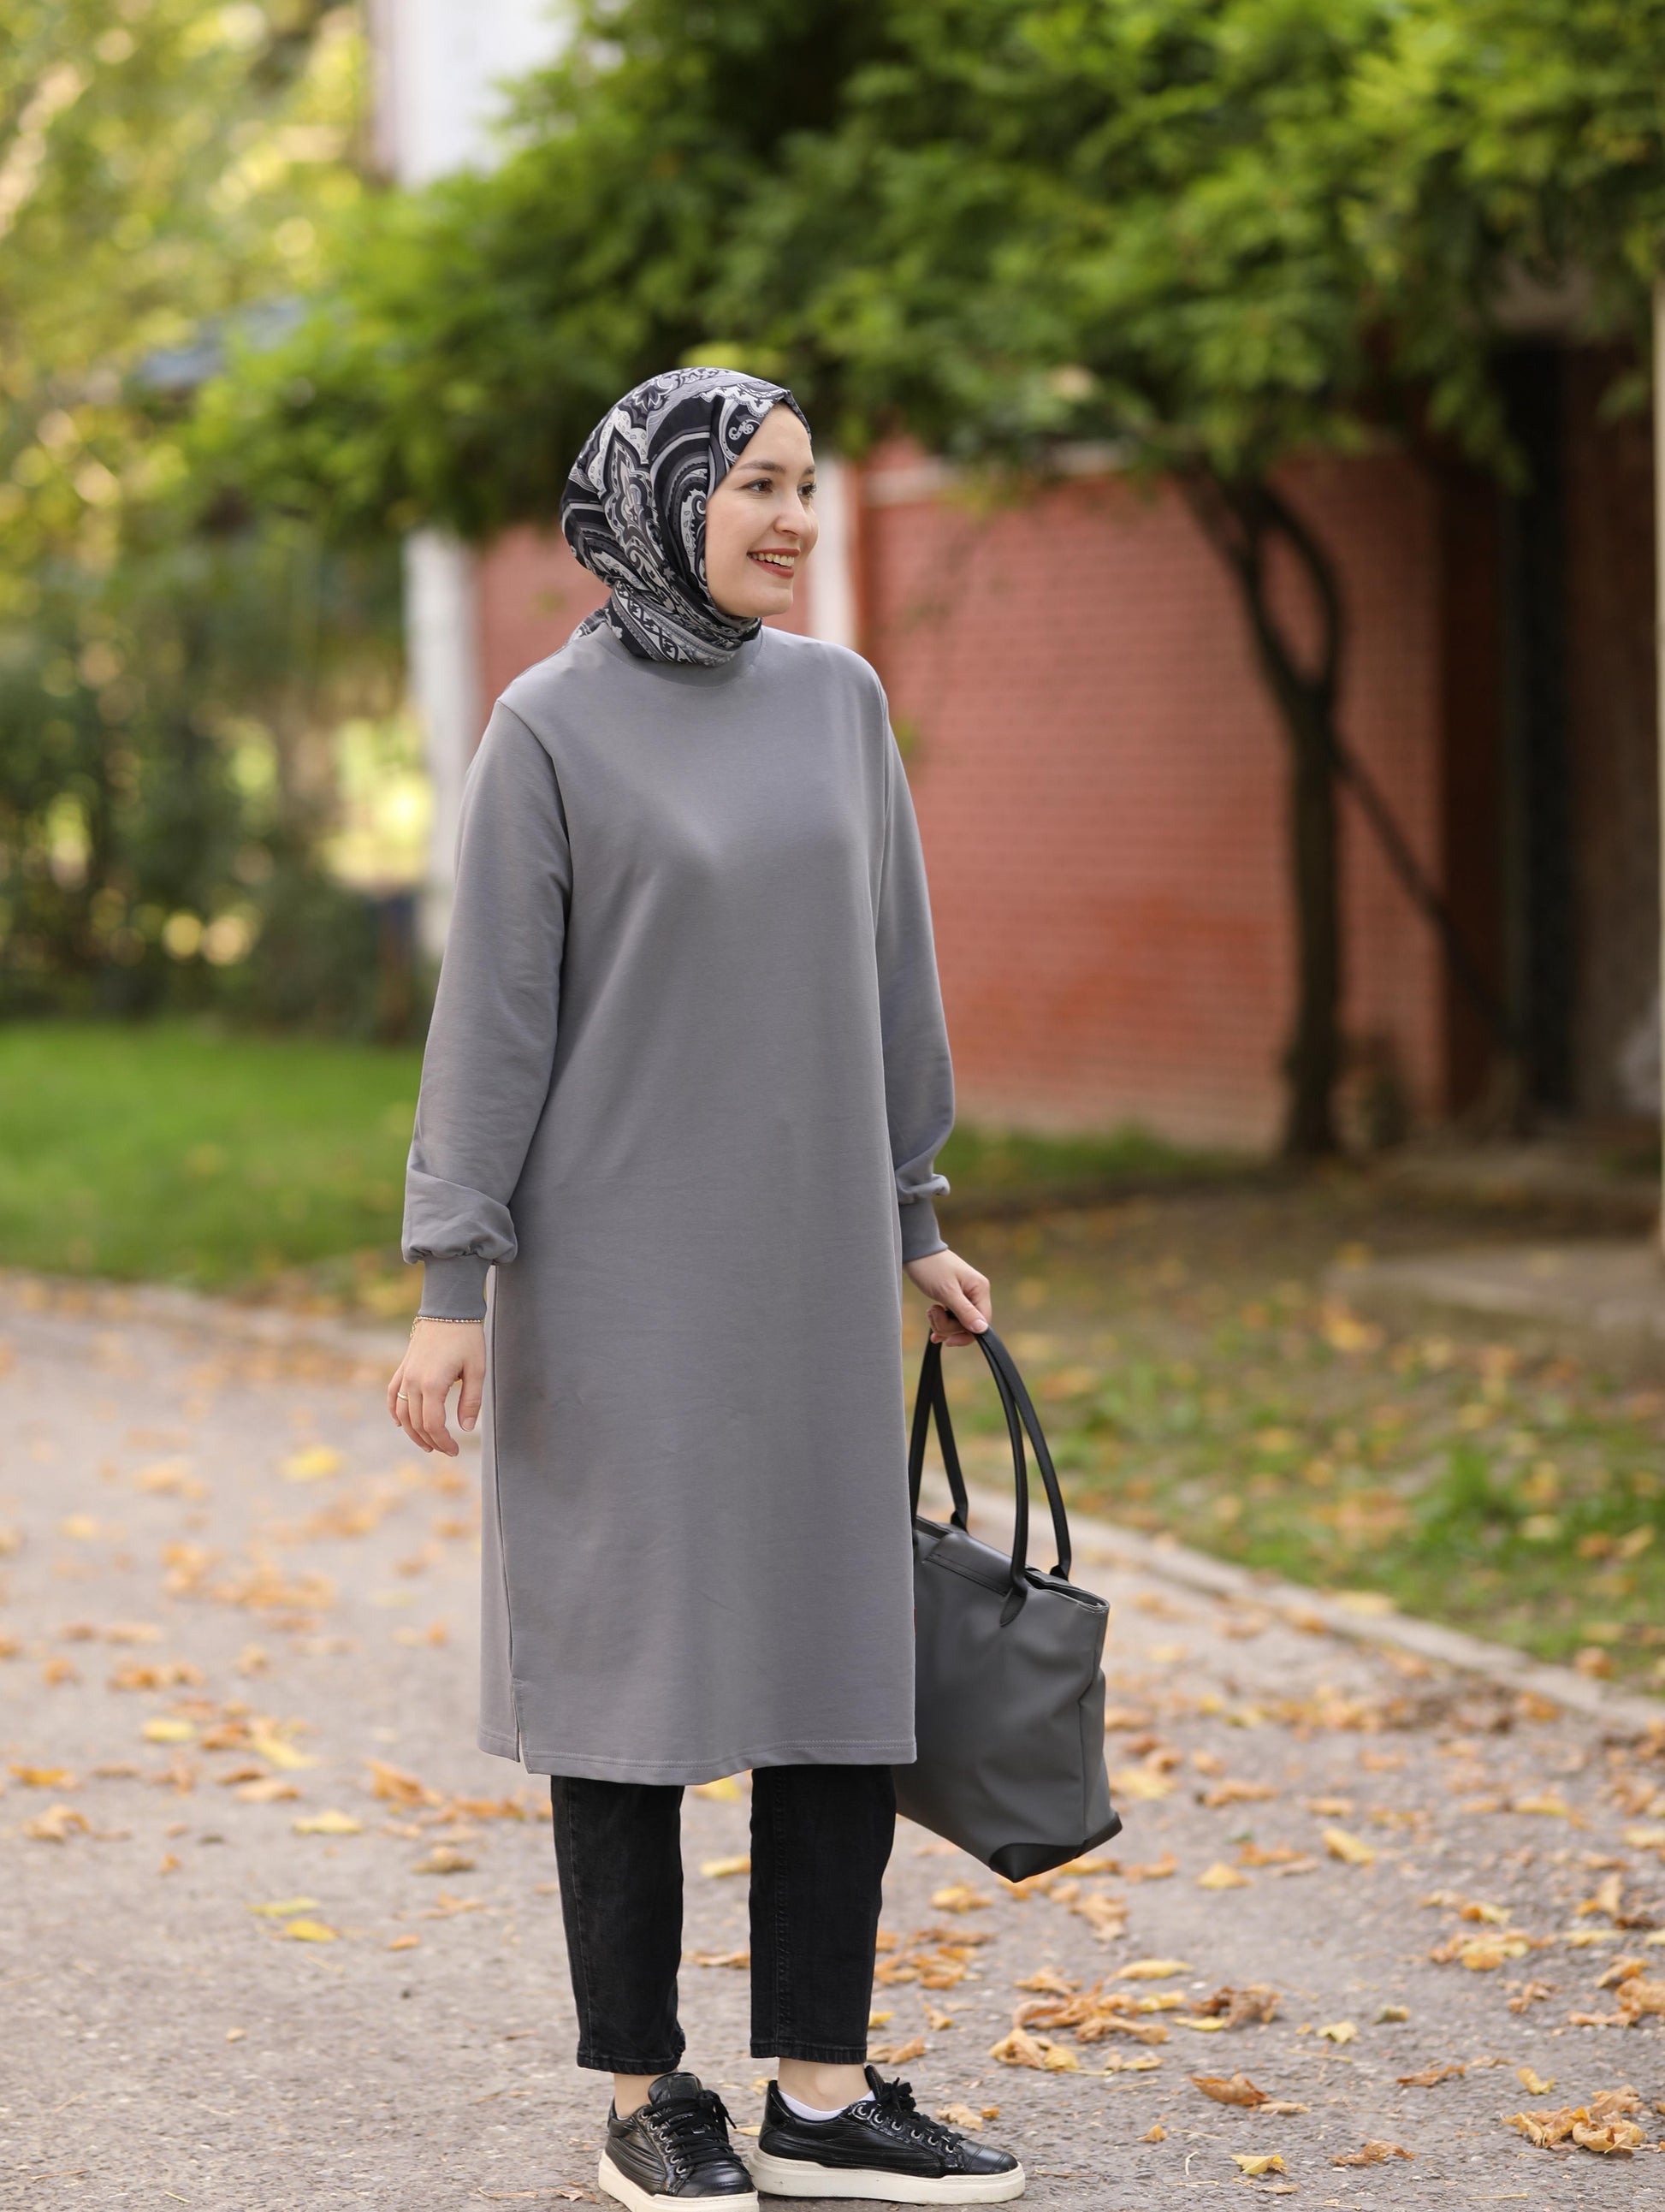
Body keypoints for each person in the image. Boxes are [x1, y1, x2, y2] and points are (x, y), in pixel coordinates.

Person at [387, 367, 1023, 2208]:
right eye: (754, 482)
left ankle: (821, 2090)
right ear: (660, 500)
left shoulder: (839, 703)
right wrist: (452, 1280)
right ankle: (645, 2092)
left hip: (813, 1271)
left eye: (805, 484)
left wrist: (914, 1217)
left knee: (836, 1670)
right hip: (615, 1285)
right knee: (631, 1680)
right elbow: (492, 1025)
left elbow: (892, 978)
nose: (792, 519)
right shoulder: (547, 726)